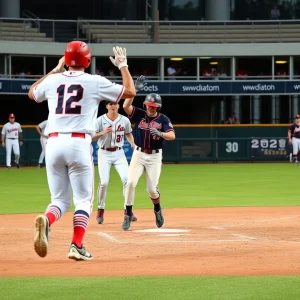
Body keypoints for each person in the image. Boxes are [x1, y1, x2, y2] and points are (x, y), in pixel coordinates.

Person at [28, 42, 136, 260]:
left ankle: (47, 220)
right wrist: (123, 65)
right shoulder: (94, 81)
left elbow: (32, 93)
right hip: (78, 143)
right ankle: (76, 245)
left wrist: (56, 70)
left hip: (54, 143)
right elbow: (130, 92)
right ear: (87, 60)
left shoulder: (54, 80)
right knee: (83, 201)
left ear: (66, 60)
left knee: (59, 200)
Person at [122, 75, 176, 230]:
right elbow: (126, 106)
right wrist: (135, 90)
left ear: (157, 107)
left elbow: (172, 135)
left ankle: (158, 209)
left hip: (154, 156)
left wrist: (161, 134)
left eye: (153, 106)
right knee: (131, 183)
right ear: (145, 105)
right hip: (138, 154)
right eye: (148, 105)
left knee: (152, 189)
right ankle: (127, 214)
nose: (150, 108)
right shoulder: (140, 114)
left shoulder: (163, 119)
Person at [92, 101, 137, 224]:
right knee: (104, 182)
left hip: (119, 153)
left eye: (115, 103)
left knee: (127, 180)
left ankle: (128, 210)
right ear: (106, 106)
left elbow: (128, 133)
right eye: (110, 103)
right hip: (104, 153)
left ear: (118, 106)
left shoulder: (124, 120)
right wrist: (102, 132)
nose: (113, 105)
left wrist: (132, 143)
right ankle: (100, 209)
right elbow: (92, 136)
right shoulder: (100, 120)